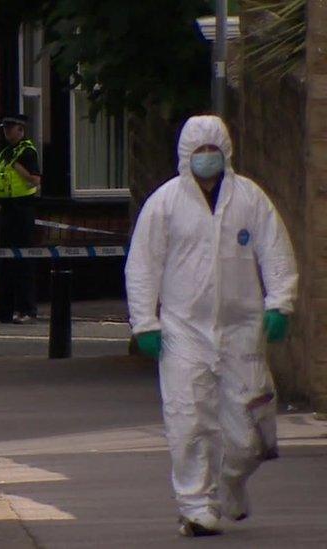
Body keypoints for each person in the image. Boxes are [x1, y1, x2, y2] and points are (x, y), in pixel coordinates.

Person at [125, 115, 298, 537]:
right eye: (199, 151)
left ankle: (232, 482)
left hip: (242, 327)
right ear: (186, 155)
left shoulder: (249, 199)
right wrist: (145, 322)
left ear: (226, 152)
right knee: (188, 420)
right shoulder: (165, 203)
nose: (206, 158)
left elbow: (274, 251)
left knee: (251, 433)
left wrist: (280, 302)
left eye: (213, 151)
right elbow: (144, 266)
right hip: (183, 330)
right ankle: (195, 506)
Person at [0, 114, 42, 324]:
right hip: (6, 209)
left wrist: (17, 167)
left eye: (10, 128)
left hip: (22, 209)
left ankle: (27, 310)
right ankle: (2, 310)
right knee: (4, 260)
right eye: (4, 128)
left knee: (23, 261)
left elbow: (35, 180)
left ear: (21, 130)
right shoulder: (5, 152)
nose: (6, 132)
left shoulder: (27, 151)